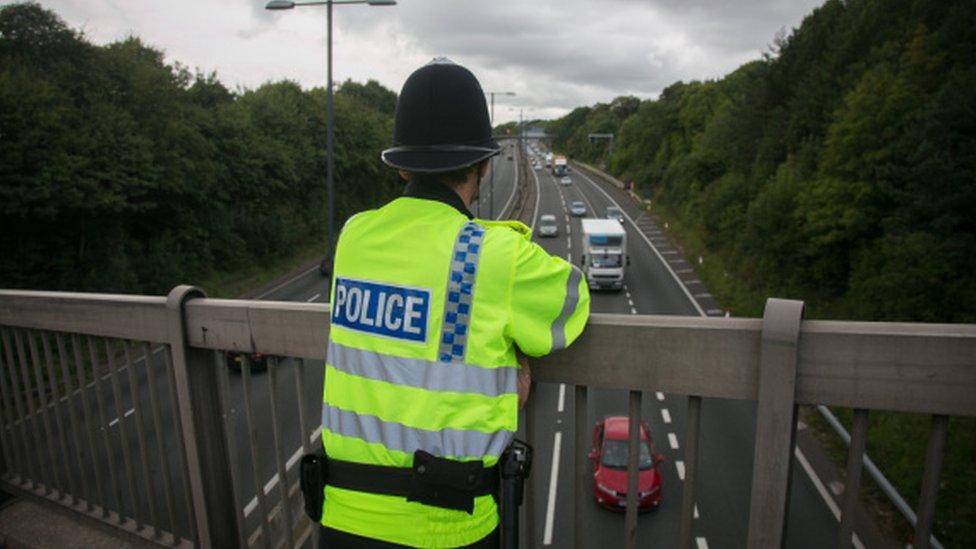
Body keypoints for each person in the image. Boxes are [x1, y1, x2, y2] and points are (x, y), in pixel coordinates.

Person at [313, 57, 589, 548]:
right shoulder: (494, 255)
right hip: (446, 527)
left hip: (341, 518)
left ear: (400, 167)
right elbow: (571, 308)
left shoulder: (353, 236)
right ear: (485, 163)